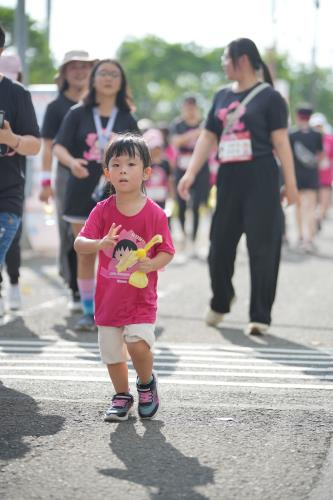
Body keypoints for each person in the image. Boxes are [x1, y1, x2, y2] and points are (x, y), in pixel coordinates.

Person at [178, 37, 298, 335]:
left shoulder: (270, 98)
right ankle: (221, 299)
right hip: (228, 177)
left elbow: (281, 141)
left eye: (225, 58)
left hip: (261, 176)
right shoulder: (220, 96)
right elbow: (207, 137)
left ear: (242, 60)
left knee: (263, 248)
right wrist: (191, 173)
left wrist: (291, 185)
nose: (223, 64)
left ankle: (260, 315)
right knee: (218, 246)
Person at [74, 133, 174, 421]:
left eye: (131, 164)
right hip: (109, 300)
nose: (122, 171)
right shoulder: (102, 210)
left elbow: (167, 251)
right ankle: (121, 395)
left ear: (146, 172)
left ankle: (145, 383)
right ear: (106, 173)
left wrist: (151, 264)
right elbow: (80, 243)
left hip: (140, 299)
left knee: (136, 343)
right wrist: (100, 244)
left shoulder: (155, 213)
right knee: (112, 353)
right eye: (115, 165)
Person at [54, 59, 139, 332]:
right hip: (80, 191)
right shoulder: (78, 113)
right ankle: (88, 312)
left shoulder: (127, 118)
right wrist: (72, 163)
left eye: (115, 74)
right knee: (86, 253)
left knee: (119, 253)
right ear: (93, 79)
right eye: (103, 73)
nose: (108, 78)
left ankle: (116, 310)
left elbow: (139, 155)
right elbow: (59, 147)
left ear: (121, 82)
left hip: (117, 194)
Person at [39, 50, 95, 313]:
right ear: (63, 73)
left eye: (84, 66)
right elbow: (49, 147)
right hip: (66, 174)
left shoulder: (100, 103)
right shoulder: (56, 107)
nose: (79, 71)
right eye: (73, 67)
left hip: (100, 174)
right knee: (71, 231)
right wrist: (45, 182)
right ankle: (75, 287)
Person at [0, 26, 41, 316]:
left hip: (7, 191)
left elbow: (35, 145)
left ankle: (11, 286)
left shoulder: (16, 94)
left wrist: (11, 139)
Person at [170, 96, 210, 255]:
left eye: (192, 107)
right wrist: (195, 134)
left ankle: (194, 241)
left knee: (197, 205)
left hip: (200, 167)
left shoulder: (204, 122)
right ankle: (185, 238)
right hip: (182, 168)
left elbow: (211, 141)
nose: (190, 110)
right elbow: (176, 142)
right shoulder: (178, 124)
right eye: (187, 107)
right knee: (181, 205)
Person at [289, 105, 323, 253]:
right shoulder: (317, 135)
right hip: (311, 176)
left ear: (297, 116)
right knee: (309, 208)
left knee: (298, 207)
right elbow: (320, 156)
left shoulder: (292, 134)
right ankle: (309, 239)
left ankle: (301, 237)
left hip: (295, 176)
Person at [309, 112, 333, 228]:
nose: (317, 128)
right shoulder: (309, 138)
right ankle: (313, 220)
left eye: (319, 126)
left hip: (326, 176)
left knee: (324, 201)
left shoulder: (329, 139)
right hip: (312, 175)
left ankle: (318, 217)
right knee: (312, 202)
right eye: (315, 126)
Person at [143, 128, 174, 211]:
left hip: (162, 200)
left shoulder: (165, 163)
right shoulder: (143, 164)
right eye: (153, 148)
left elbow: (169, 179)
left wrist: (171, 198)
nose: (156, 150)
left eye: (158, 147)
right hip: (146, 201)